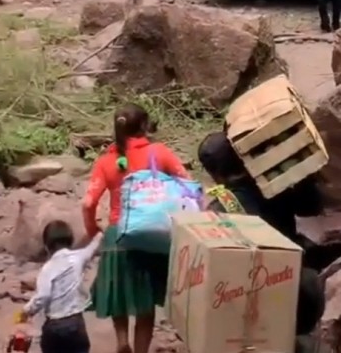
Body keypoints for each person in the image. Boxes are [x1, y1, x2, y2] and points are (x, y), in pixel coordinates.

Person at [197, 132, 326, 353]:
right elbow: (314, 206)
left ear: (215, 174)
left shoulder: (220, 208)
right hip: (296, 292)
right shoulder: (276, 186)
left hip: (251, 306)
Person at [83, 104, 191, 353]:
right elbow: (185, 181)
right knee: (145, 302)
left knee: (118, 295)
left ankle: (122, 342)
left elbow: (88, 202)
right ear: (144, 125)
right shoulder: (159, 153)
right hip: (150, 234)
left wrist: (93, 231)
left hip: (117, 234)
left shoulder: (107, 161)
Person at [16, 221, 102, 353]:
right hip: (75, 323)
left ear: (46, 246)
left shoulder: (47, 268)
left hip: (54, 326)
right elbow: (92, 247)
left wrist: (26, 311)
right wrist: (99, 234)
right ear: (71, 240)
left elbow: (43, 296)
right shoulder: (78, 258)